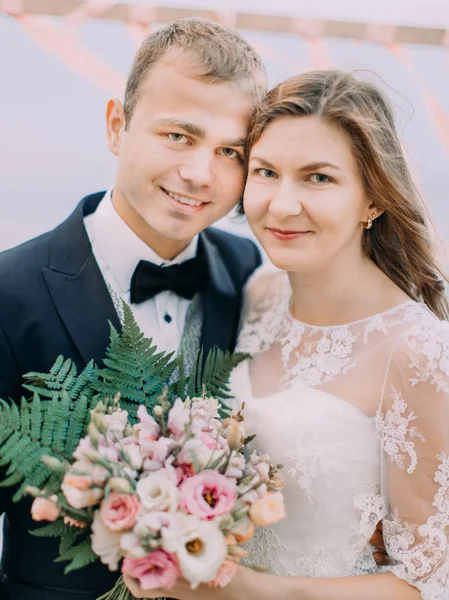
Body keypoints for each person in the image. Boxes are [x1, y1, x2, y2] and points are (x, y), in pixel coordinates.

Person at [124, 71, 449, 599]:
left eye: (318, 178)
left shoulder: (418, 351)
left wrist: (241, 589)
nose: (281, 205)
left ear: (374, 200)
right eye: (266, 172)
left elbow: (428, 584)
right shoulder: (258, 293)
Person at [0, 18, 266, 600]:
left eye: (229, 152)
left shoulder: (252, 275)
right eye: (178, 136)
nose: (200, 173)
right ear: (117, 126)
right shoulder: (9, 291)